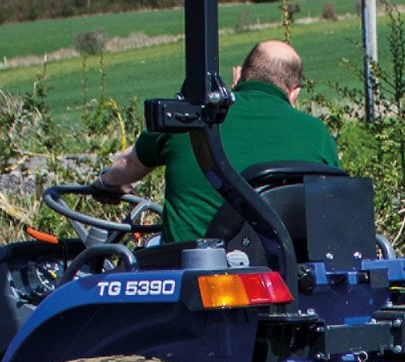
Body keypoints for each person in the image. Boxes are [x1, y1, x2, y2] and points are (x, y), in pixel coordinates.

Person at [95, 39, 339, 243]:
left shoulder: (188, 117)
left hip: (190, 274)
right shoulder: (317, 134)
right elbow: (332, 206)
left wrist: (106, 181)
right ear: (294, 92)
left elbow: (128, 165)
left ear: (237, 75)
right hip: (278, 274)